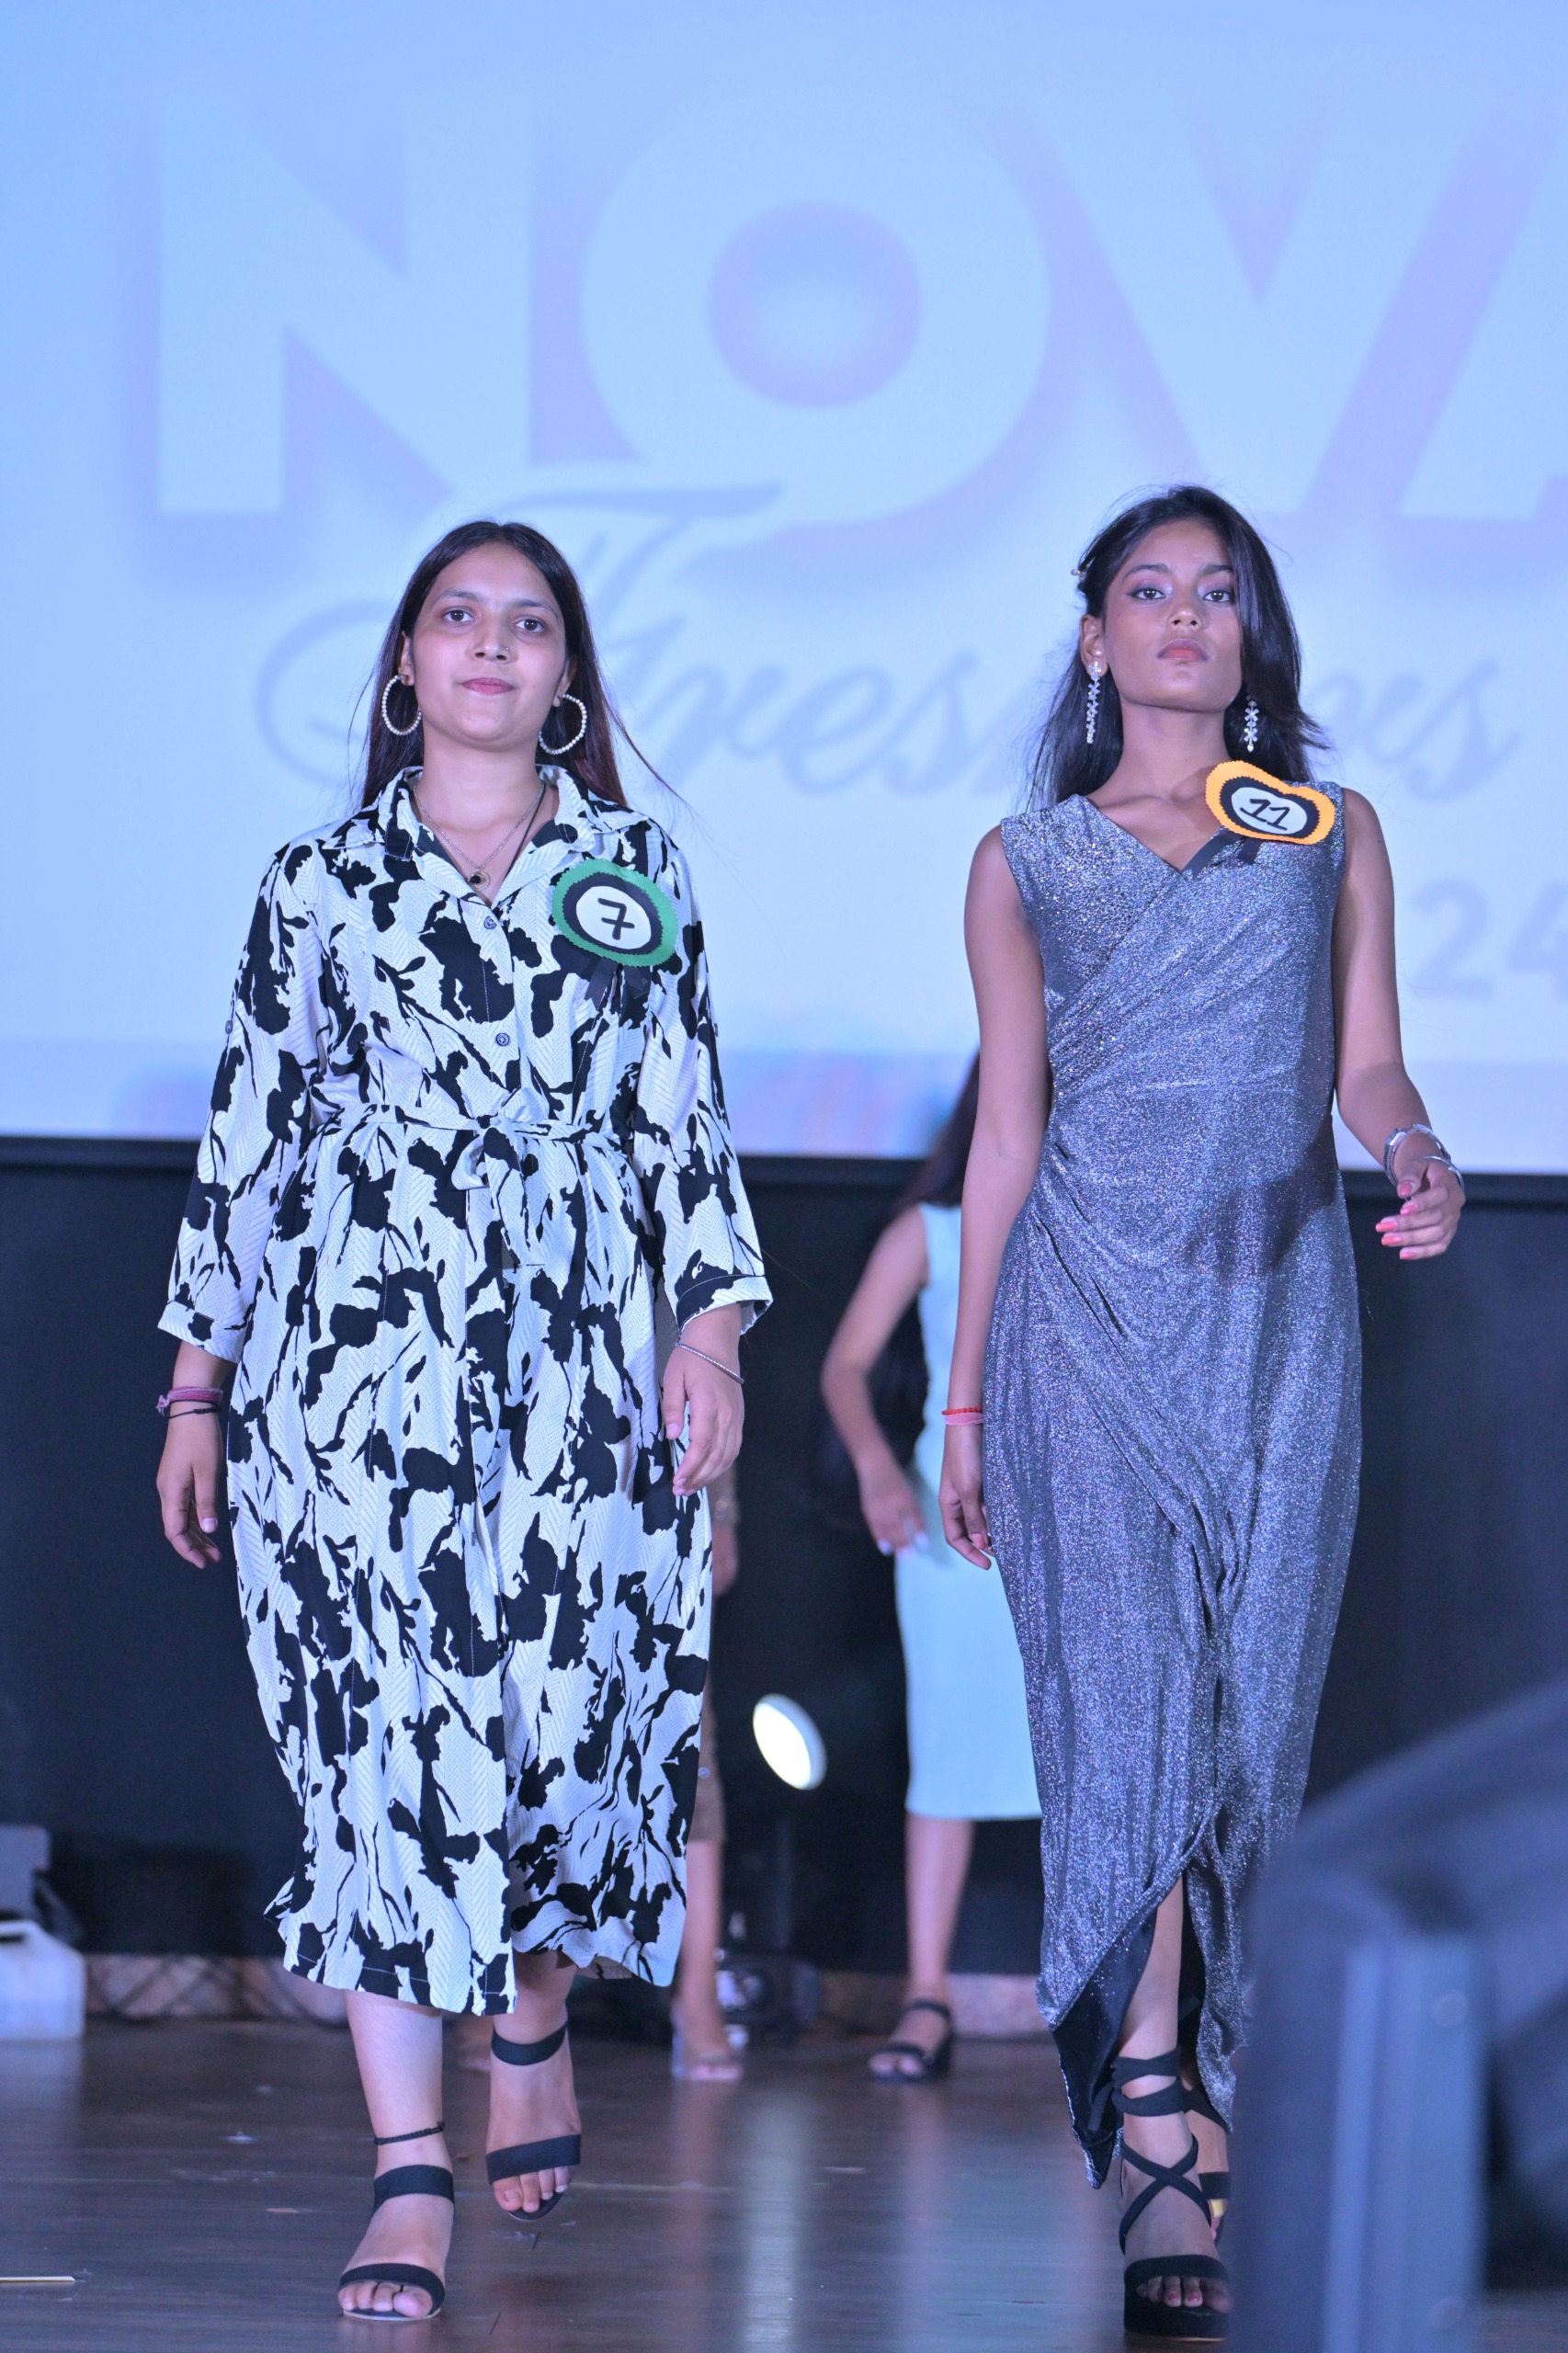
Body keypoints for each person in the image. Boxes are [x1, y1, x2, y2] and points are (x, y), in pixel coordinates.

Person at [154, 520, 769, 2321]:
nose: (492, 645)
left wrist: (712, 1334)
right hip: (350, 1367)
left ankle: (533, 2015)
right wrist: (195, 1382)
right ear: (407, 663)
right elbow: (247, 1136)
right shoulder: (318, 882)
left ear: (564, 673)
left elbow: (685, 1123)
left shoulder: (631, 870)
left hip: (578, 1364)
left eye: (529, 622)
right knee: (379, 1751)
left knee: (559, 1726)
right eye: (457, 616)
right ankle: (406, 2169)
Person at [938, 486, 1463, 2341]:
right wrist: (963, 1395)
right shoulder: (1025, 859)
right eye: (1149, 591)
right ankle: (1156, 2095)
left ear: (1251, 632)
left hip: (1274, 1319)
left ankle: (1209, 2053)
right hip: (1079, 1321)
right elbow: (1004, 1136)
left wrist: (1413, 1143)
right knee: (1133, 1705)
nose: (1184, 615)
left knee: (1246, 1712)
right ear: (1095, 638)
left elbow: (1366, 1061)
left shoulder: (1329, 829)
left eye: (1217, 591)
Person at [821, 1063, 1040, 2084]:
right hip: (953, 1520)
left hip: (1075, 1520)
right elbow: (844, 1365)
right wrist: (876, 1467)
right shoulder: (932, 1229)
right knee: (945, 1753)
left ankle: (1108, 1999)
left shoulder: (1097, 1217)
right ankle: (925, 1993)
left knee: (1099, 1765)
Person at [668, 1461, 744, 2081]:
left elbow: (712, 1400)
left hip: (663, 1470)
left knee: (689, 1745)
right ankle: (498, 1998)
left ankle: (697, 1990)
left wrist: (720, 1512)